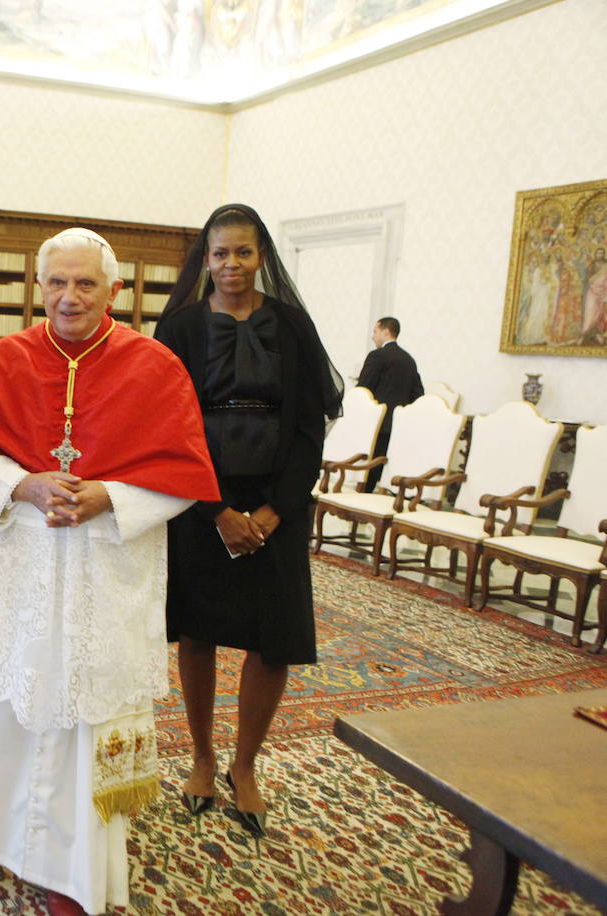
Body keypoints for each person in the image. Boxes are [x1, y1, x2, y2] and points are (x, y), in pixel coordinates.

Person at [0, 229, 219, 916]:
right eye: (57, 283)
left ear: (114, 291)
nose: (69, 297)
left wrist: (110, 496)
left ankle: (79, 863)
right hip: (27, 559)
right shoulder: (5, 359)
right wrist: (23, 485)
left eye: (85, 284)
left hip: (107, 562)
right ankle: (9, 836)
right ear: (39, 287)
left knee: (92, 700)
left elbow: (185, 473)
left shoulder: (154, 365)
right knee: (22, 690)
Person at [154, 204, 342, 838]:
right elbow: (165, 427)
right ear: (203, 260)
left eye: (242, 252)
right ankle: (203, 760)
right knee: (199, 634)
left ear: (261, 255)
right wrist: (216, 511)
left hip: (276, 507)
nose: (230, 265)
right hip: (201, 503)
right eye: (219, 254)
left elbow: (309, 427)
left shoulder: (292, 325)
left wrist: (274, 509)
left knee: (272, 639)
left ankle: (245, 765)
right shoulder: (178, 327)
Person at [357, 316, 423, 489]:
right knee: (387, 467)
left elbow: (363, 390)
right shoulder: (409, 360)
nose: (373, 336)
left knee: (369, 468)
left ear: (386, 332)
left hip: (377, 422)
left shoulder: (377, 356)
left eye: (375, 331)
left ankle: (363, 498)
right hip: (399, 425)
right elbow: (418, 394)